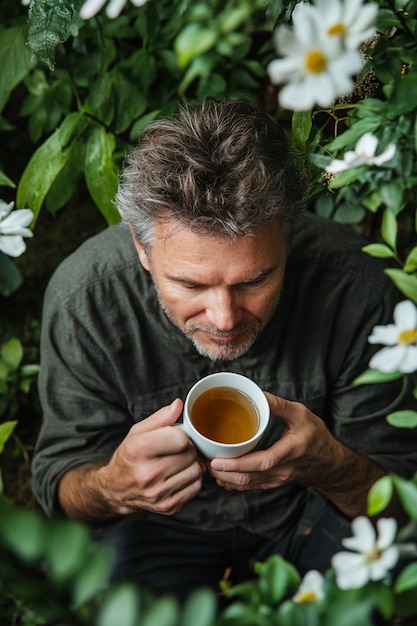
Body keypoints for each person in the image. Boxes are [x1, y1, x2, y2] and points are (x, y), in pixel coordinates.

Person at [32, 98, 417, 602]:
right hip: (157, 529)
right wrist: (112, 486)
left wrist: (330, 465)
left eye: (255, 279)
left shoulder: (356, 291)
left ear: (289, 236)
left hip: (310, 513)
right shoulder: (87, 300)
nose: (225, 318)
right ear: (142, 249)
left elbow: (404, 505)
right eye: (190, 285)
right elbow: (59, 490)